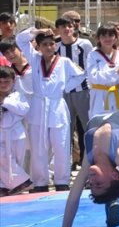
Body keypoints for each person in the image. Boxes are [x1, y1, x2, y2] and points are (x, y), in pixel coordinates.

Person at [17, 28, 86, 192]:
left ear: (55, 45)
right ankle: (40, 182)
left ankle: (62, 180)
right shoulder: (34, 58)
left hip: (56, 104)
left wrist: (65, 87)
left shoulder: (65, 62)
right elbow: (20, 39)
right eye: (45, 45)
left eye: (51, 44)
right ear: (39, 47)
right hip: (38, 105)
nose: (49, 47)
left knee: (61, 145)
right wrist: (38, 31)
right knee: (38, 147)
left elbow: (81, 75)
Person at [54, 15, 92, 170]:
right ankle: (65, 165)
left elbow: (90, 67)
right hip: (63, 95)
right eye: (63, 26)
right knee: (65, 130)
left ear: (74, 27)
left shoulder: (85, 44)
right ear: (58, 29)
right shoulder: (55, 46)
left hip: (83, 91)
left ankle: (90, 163)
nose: (66, 29)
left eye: (69, 26)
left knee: (88, 128)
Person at [0, 66, 32, 196]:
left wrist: (4, 102)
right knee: (2, 159)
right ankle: (23, 182)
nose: (3, 85)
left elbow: (23, 110)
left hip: (16, 133)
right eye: (0, 82)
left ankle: (7, 187)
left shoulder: (18, 95)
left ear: (13, 81)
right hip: (1, 133)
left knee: (16, 161)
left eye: (6, 81)